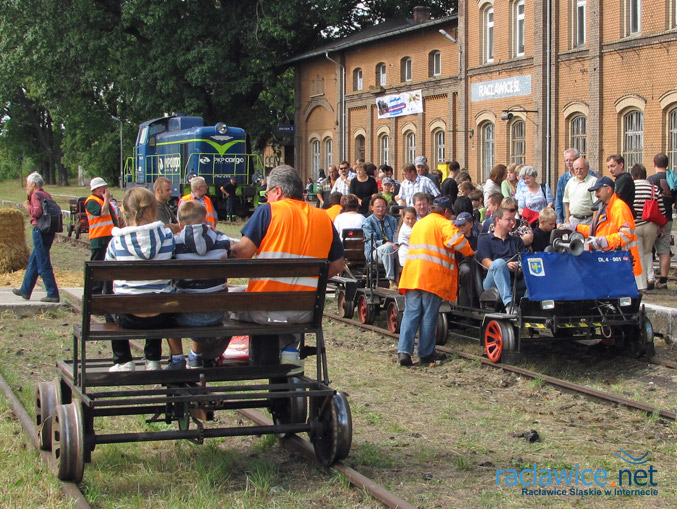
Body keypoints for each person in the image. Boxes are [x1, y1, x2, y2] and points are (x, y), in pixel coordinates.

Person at [230, 165, 344, 365]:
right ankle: (289, 349)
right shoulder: (324, 218)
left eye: (267, 193)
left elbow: (242, 253)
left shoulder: (268, 211)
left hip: (265, 308)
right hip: (307, 310)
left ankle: (204, 359)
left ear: (278, 191)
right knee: (284, 307)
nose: (266, 198)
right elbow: (337, 266)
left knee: (223, 298)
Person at [105, 187, 175, 372]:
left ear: (125, 210)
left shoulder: (116, 242)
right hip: (162, 316)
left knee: (109, 300)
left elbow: (108, 273)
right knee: (157, 293)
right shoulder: (167, 238)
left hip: (127, 317)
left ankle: (123, 360)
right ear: (153, 209)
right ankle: (153, 359)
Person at [397, 196, 474, 366]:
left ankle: (404, 352)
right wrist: (470, 251)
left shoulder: (419, 223)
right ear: (446, 211)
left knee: (411, 313)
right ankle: (426, 353)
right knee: (428, 315)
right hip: (432, 277)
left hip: (412, 275)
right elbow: (457, 240)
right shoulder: (444, 223)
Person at [166, 200, 233, 369]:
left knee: (170, 302)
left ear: (179, 222)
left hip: (184, 314)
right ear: (205, 218)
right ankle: (196, 356)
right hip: (217, 313)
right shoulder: (222, 240)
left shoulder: (175, 244)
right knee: (206, 294)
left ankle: (177, 358)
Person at [573, 176, 641, 278]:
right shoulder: (605, 207)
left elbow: (626, 235)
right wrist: (575, 228)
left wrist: (604, 241)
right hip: (615, 261)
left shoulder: (619, 207)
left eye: (598, 190)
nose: (596, 195)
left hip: (624, 263)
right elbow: (596, 231)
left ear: (608, 189)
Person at [13, 172, 60, 303]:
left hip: (39, 230)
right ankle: (25, 289)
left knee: (42, 261)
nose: (26, 187)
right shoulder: (46, 195)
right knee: (34, 260)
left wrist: (27, 206)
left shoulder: (35, 195)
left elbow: (37, 212)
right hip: (49, 230)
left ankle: (52, 292)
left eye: (27, 185)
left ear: (33, 184)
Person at [477, 207, 528, 312]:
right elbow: (486, 263)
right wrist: (505, 265)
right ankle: (509, 304)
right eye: (508, 219)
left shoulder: (517, 241)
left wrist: (519, 266)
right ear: (497, 220)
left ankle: (529, 307)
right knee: (499, 263)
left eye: (513, 220)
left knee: (533, 277)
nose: (512, 222)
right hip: (492, 281)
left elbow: (525, 261)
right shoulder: (484, 240)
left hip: (515, 279)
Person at [630, 164, 665, 291]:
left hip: (636, 225)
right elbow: (660, 208)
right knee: (648, 252)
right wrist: (661, 226)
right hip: (651, 225)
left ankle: (643, 282)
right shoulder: (653, 188)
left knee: (638, 254)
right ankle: (651, 277)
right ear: (645, 175)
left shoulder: (632, 187)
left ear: (633, 176)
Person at [85, 177, 119, 295]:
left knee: (108, 266)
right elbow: (103, 212)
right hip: (98, 238)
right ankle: (95, 293)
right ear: (97, 189)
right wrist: (106, 200)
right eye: (103, 187)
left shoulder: (103, 201)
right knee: (97, 267)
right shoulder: (91, 201)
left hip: (108, 237)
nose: (106, 189)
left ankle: (108, 291)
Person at [648, 153, 674, 289]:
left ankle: (649, 278)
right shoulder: (672, 178)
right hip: (667, 218)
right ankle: (663, 281)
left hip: (653, 218)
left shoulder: (651, 179)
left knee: (648, 249)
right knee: (664, 249)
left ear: (654, 164)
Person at [362, 194, 399, 288]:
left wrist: (396, 245)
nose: (381, 209)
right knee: (387, 247)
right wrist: (386, 242)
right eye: (378, 206)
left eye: (383, 206)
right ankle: (391, 280)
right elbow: (372, 241)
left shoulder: (392, 220)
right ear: (372, 207)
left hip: (393, 249)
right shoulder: (368, 222)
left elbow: (396, 235)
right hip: (374, 252)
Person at [562, 157, 597, 227]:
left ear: (587, 168)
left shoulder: (594, 181)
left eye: (581, 168)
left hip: (588, 220)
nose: (579, 171)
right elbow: (566, 202)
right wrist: (568, 220)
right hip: (573, 220)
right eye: (576, 169)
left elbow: (596, 205)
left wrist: (594, 222)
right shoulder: (570, 182)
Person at [555, 148, 580, 223]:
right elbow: (558, 201)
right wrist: (559, 221)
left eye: (571, 160)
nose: (569, 162)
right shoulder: (563, 179)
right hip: (568, 219)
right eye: (566, 160)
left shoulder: (590, 176)